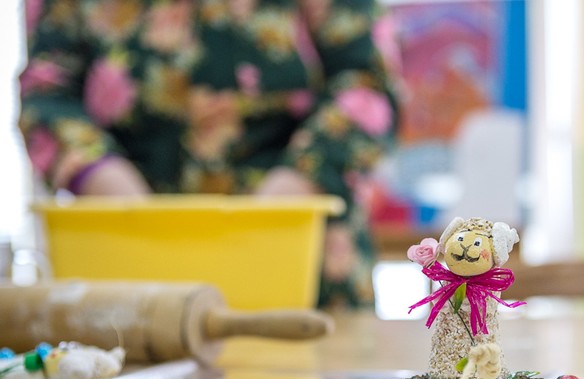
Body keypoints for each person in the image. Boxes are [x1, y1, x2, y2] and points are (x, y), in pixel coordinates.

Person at [18, 0, 400, 308]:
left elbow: (367, 85)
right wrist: (104, 179)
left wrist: (294, 186)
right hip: (130, 266)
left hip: (301, 264)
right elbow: (46, 92)